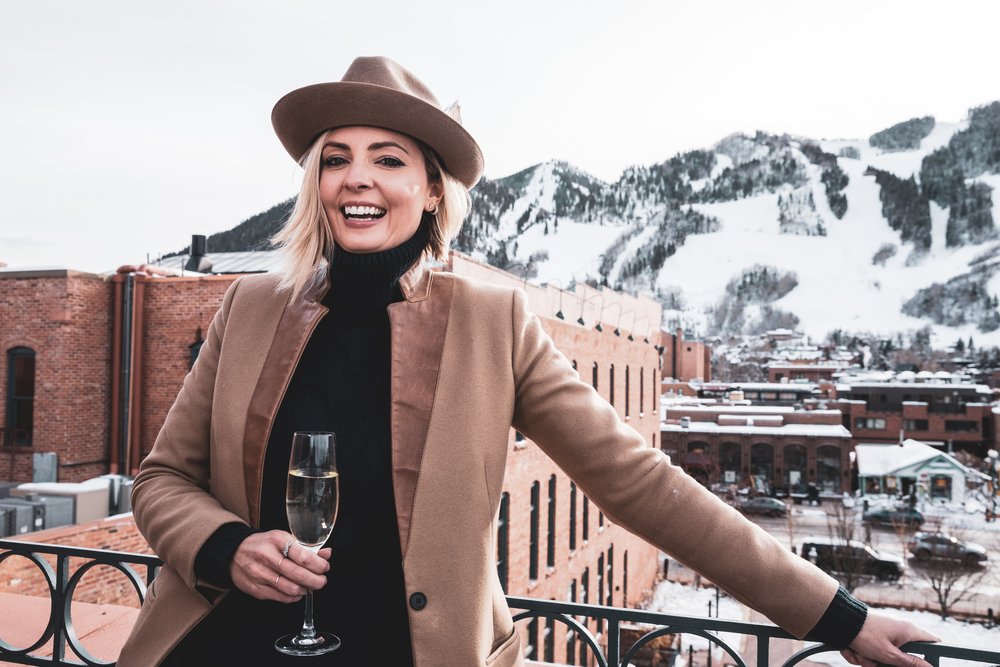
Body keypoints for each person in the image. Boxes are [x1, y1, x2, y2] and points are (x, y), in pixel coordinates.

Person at [118, 56, 938, 666]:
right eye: (336, 158)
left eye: (388, 158)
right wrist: (226, 545)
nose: (356, 180)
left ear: (432, 190)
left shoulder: (491, 317)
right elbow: (161, 479)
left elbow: (638, 482)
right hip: (224, 644)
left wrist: (838, 617)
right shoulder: (250, 305)